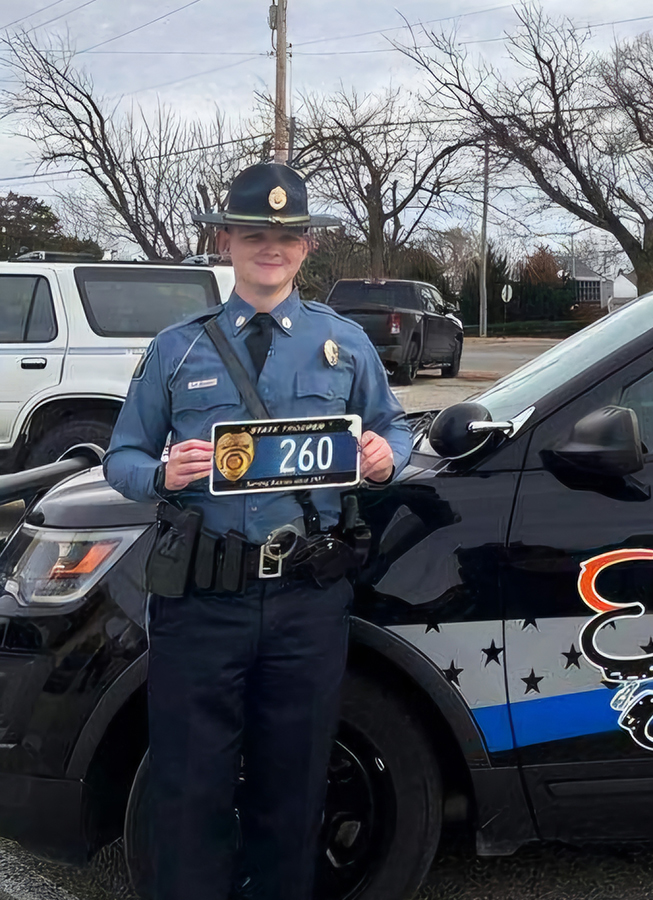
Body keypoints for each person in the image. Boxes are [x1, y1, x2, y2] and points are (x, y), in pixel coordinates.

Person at [104, 162, 413, 899]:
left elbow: (393, 429)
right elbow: (121, 455)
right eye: (252, 234)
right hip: (202, 605)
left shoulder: (344, 344)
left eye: (285, 236)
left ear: (306, 247)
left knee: (294, 786)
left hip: (307, 601)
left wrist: (381, 459)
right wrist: (161, 475)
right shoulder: (179, 347)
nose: (269, 248)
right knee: (188, 791)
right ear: (226, 242)